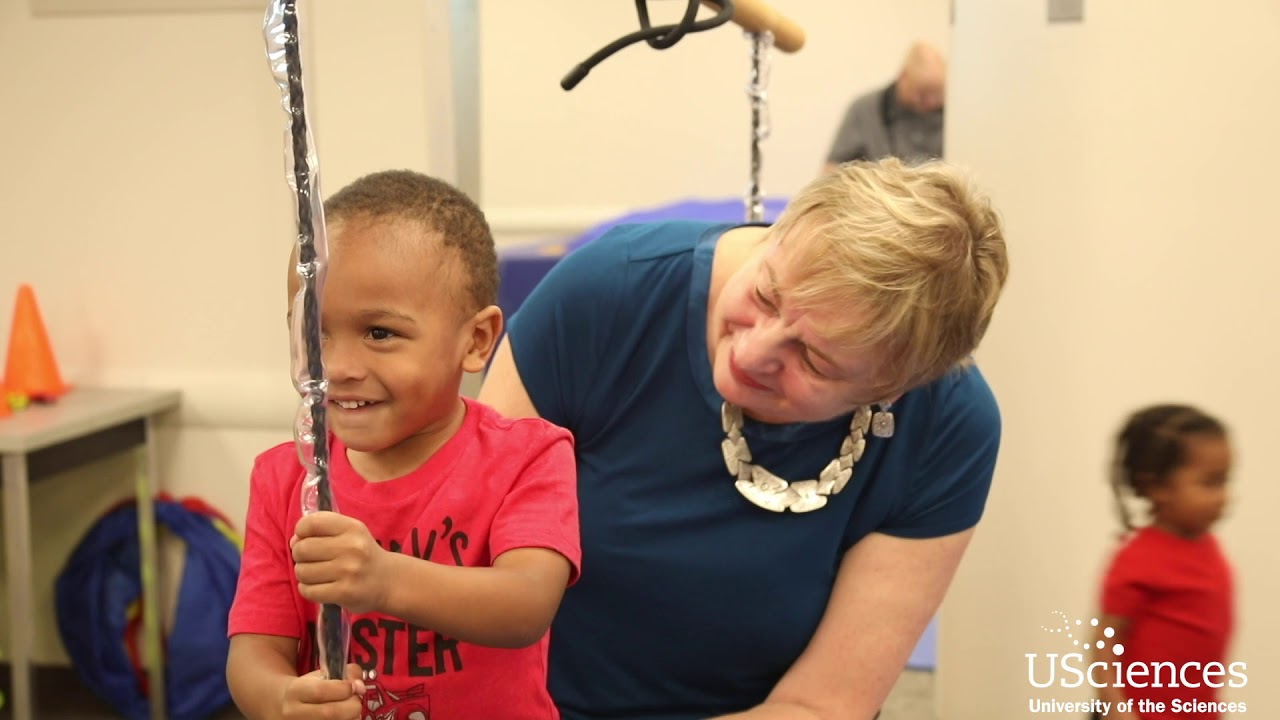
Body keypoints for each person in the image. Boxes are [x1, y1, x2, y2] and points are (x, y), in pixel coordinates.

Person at [479, 157, 1010, 719]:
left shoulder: (947, 427)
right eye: (765, 294)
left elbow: (821, 705)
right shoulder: (611, 293)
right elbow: (459, 549)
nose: (752, 351)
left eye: (814, 359)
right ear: (775, 238)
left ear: (893, 389)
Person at [226, 170, 581, 720]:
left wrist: (384, 579)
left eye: (380, 333)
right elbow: (255, 650)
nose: (337, 367)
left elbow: (526, 605)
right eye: (313, 333)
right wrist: (280, 699)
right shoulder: (282, 479)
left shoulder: (527, 455)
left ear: (476, 341)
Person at [1092, 405, 1235, 720]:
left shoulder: (1209, 548)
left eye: (1225, 481)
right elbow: (1104, 644)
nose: (1223, 496)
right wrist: (1118, 710)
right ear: (1156, 487)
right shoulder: (1138, 558)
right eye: (1210, 483)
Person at [821, 42, 947, 174]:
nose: (930, 102)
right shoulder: (864, 110)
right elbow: (831, 171)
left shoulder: (952, 116)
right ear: (903, 77)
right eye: (922, 94)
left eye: (938, 94)